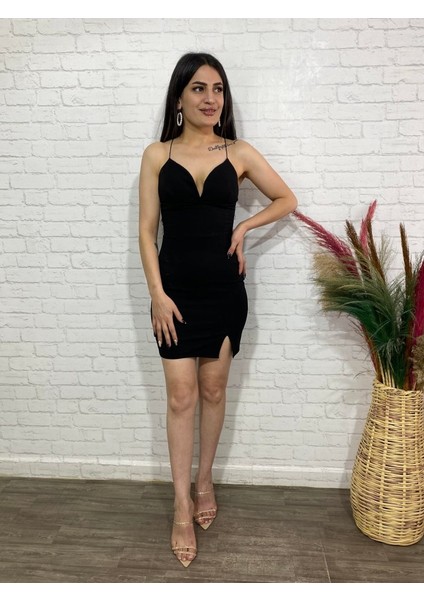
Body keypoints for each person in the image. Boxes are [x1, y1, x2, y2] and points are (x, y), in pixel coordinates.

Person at [138, 52, 298, 568]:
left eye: (218, 89)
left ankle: (204, 480)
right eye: (199, 89)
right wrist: (157, 294)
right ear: (179, 98)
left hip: (225, 292)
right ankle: (180, 505)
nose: (211, 99)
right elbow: (146, 231)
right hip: (174, 295)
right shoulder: (156, 155)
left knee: (212, 390)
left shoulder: (239, 152)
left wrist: (244, 226)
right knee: (180, 397)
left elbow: (286, 199)